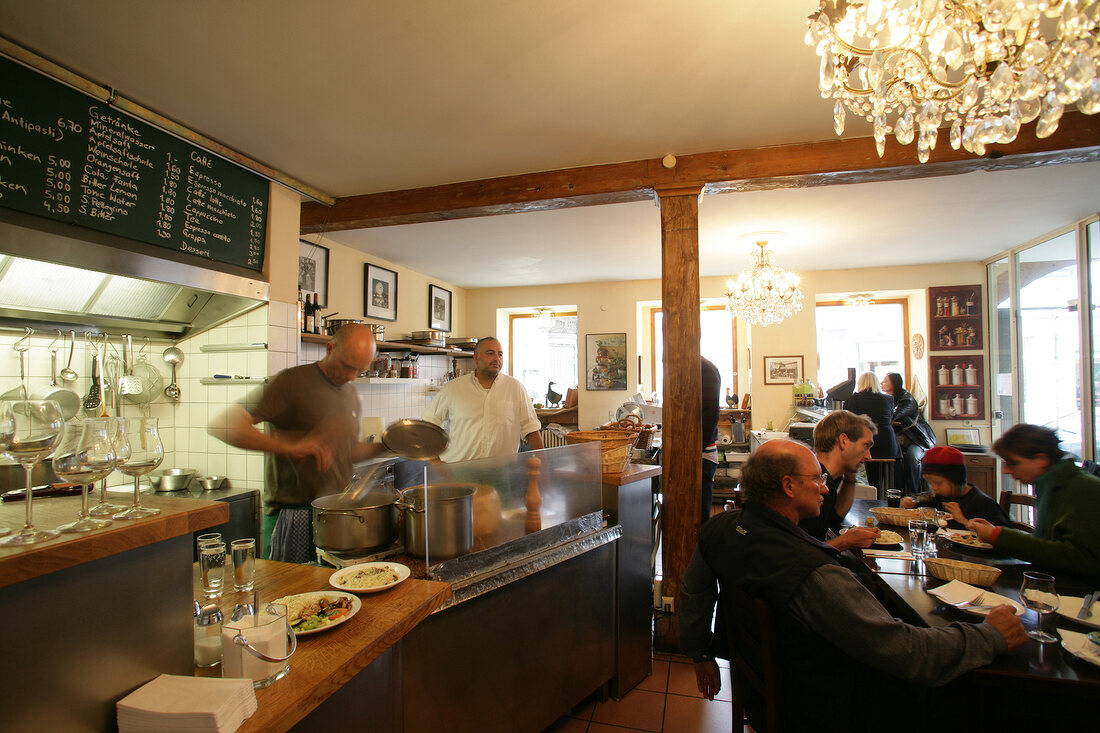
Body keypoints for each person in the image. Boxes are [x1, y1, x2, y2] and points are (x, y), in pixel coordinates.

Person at [680, 439, 1027, 733]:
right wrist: (990, 635)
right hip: (824, 708)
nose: (825, 487)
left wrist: (700, 654)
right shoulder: (812, 574)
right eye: (816, 479)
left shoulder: (721, 528)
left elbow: (694, 592)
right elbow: (907, 653)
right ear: (788, 486)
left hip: (763, 696)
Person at [209, 323, 387, 562]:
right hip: (292, 516)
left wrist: (386, 447)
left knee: (329, 596)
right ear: (330, 348)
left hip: (334, 514)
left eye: (360, 370)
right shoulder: (291, 382)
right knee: (286, 597)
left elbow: (347, 452)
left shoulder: (349, 393)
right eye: (347, 366)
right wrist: (290, 448)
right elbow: (225, 424)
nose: (351, 376)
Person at [971, 424, 1100, 581]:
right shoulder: (1052, 485)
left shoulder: (1082, 489)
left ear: (1042, 460)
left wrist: (999, 536)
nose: (1006, 471)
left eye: (1013, 463)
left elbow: (1082, 560)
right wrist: (996, 534)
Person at [423, 336, 543, 463]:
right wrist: (435, 461)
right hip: (459, 471)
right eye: (490, 353)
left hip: (503, 472)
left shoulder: (515, 388)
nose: (497, 358)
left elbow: (532, 429)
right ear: (476, 357)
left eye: (500, 354)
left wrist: (544, 469)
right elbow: (429, 425)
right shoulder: (453, 388)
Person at [799, 409, 880, 550]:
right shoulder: (814, 484)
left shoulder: (828, 478)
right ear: (844, 441)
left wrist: (850, 477)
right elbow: (802, 551)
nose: (869, 456)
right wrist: (845, 541)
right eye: (865, 446)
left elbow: (835, 518)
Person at [900, 446, 1010, 528]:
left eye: (938, 483)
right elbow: (928, 504)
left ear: (956, 479)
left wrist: (964, 521)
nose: (934, 487)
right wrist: (914, 502)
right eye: (930, 482)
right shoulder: (944, 497)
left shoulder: (981, 503)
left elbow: (1002, 535)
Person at [844, 371, 899, 492]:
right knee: (887, 477)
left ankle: (872, 495)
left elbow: (852, 421)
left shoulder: (855, 398)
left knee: (869, 476)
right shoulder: (888, 398)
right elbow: (890, 418)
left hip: (867, 445)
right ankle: (886, 498)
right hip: (887, 445)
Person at [882, 372, 935, 495]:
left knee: (912, 457)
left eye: (885, 381)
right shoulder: (889, 398)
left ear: (894, 383)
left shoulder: (907, 400)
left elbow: (893, 415)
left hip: (918, 439)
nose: (881, 383)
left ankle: (914, 493)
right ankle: (899, 493)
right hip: (901, 440)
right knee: (893, 459)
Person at [700, 356, 721, 526]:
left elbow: (711, 411)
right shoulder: (705, 366)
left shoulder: (703, 368)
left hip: (702, 456)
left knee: (699, 515)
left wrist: (695, 448)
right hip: (701, 453)